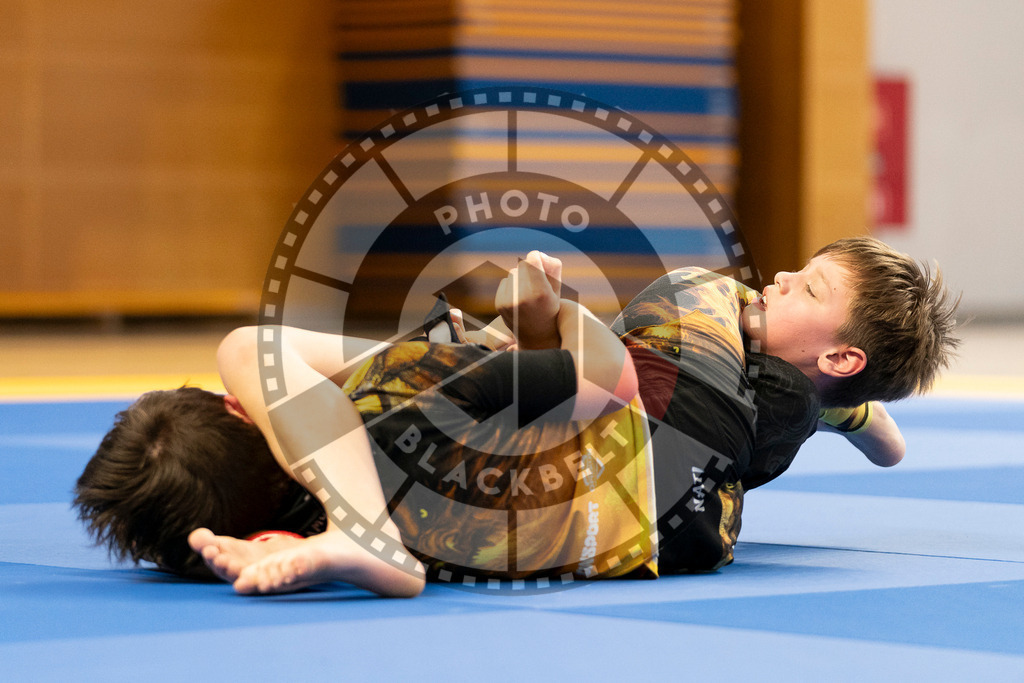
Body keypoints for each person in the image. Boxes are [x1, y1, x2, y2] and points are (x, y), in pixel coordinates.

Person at [74, 237, 959, 597]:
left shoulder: (347, 510)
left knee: (746, 397)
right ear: (241, 411)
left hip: (680, 529)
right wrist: (547, 323)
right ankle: (849, 411)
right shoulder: (390, 404)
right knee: (700, 307)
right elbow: (558, 385)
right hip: (665, 461)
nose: (779, 277)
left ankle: (848, 412)